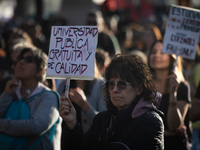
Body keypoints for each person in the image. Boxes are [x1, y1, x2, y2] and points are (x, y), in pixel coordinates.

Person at [59, 54, 164, 150]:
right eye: (111, 84)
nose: (115, 90)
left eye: (122, 84)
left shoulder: (151, 122)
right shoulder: (102, 120)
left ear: (139, 89)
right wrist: (72, 125)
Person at [0, 47, 61, 150]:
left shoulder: (49, 96)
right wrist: (6, 95)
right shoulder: (12, 92)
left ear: (40, 72)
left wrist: (2, 124)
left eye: (29, 60)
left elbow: (35, 127)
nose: (21, 62)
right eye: (20, 58)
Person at [148, 40, 191, 150]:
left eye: (162, 52)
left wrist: (173, 93)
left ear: (172, 57)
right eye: (153, 52)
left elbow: (173, 126)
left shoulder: (182, 87)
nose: (156, 55)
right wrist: (166, 133)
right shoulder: (143, 87)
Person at [57, 59, 106, 150]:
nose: (76, 64)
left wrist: (84, 104)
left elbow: (104, 121)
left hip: (90, 143)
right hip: (67, 139)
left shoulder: (101, 85)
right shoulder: (64, 85)